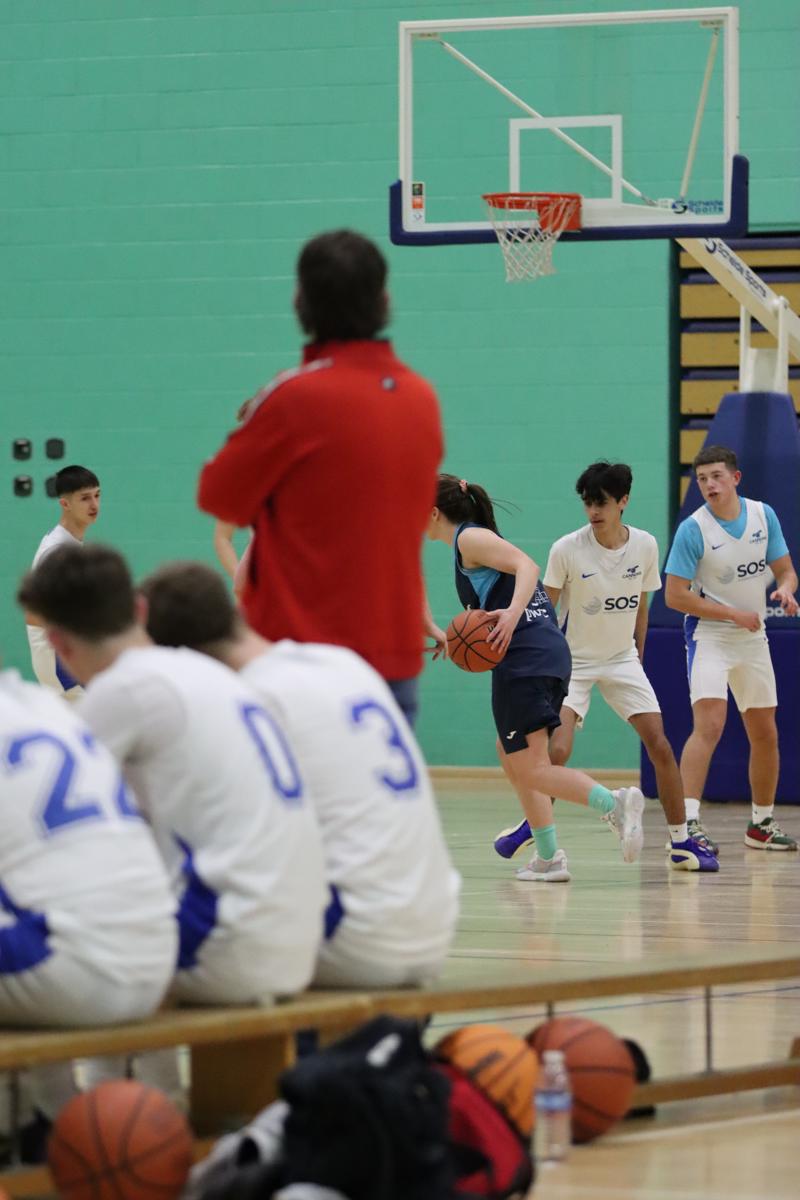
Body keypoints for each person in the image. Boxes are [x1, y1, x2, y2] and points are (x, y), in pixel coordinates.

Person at [17, 544, 327, 1004]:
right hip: (300, 936)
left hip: (225, 944)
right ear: (140, 611)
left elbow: (45, 830)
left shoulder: (124, 689)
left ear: (58, 645)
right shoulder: (207, 673)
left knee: (45, 928)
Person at [140, 561, 461, 989]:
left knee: (138, 951)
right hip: (435, 927)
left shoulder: (247, 698)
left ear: (182, 659)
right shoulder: (340, 663)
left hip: (352, 938)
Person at [197, 229, 444, 727]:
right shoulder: (422, 398)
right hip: (391, 664)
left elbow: (217, 495)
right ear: (384, 300)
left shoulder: (290, 398)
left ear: (300, 302)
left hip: (300, 665)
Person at [494, 461, 717, 872]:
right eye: (587, 503)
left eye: (601, 503)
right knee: (557, 750)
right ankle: (533, 824)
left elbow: (641, 607)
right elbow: (542, 613)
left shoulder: (646, 545)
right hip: (573, 662)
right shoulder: (566, 549)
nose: (593, 511)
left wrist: (638, 657)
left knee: (660, 744)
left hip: (622, 660)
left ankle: (682, 843)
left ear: (623, 501)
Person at [426, 474, 646, 882]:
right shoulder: (470, 542)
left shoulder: (468, 538)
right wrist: (452, 640)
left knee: (533, 769)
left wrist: (511, 614)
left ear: (434, 512)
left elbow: (527, 565)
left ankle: (614, 804)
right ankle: (548, 857)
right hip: (546, 654)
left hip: (525, 657)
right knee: (511, 752)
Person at [0, 667, 176, 1121]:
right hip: (160, 956)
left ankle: (42, 1117)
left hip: (73, 968)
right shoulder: (46, 707)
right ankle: (49, 1115)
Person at [664, 445, 799, 851]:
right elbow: (675, 596)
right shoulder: (693, 529)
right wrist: (731, 614)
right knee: (709, 725)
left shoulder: (763, 515)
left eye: (717, 476)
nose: (709, 484)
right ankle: (687, 825)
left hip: (752, 637)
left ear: (735, 478)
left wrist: (787, 591)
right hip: (709, 636)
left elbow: (786, 571)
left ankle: (761, 824)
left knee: (765, 732)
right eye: (702, 479)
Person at [23, 464, 100, 702]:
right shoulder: (57, 550)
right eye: (85, 498)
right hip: (57, 658)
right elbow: (34, 613)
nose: (94, 505)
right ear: (65, 504)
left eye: (97, 495)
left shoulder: (70, 543)